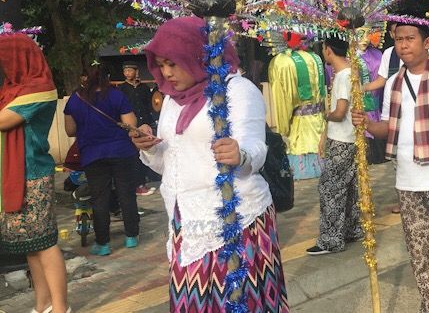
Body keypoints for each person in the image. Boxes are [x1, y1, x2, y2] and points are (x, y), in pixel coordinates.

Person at [131, 17, 288, 311]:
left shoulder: (236, 90)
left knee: (241, 302)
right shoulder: (170, 100)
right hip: (185, 219)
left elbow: (256, 148)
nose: (166, 73)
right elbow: (171, 164)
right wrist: (149, 148)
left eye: (173, 63)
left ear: (196, 54)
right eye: (161, 64)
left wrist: (239, 154)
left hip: (238, 218)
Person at [352, 19, 429, 313]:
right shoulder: (395, 82)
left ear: (427, 42)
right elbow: (388, 128)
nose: (404, 45)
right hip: (408, 183)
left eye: (410, 38)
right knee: (422, 255)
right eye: (399, 40)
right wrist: (367, 123)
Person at [0, 35, 70, 313]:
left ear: (19, 59)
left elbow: (4, 120)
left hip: (33, 174)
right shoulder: (12, 90)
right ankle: (43, 305)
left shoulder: (39, 88)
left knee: (46, 242)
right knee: (32, 244)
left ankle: (61, 307)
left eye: (5, 61)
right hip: (15, 172)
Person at [64, 65, 141, 256]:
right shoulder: (116, 95)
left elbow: (70, 130)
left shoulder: (75, 99)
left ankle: (103, 243)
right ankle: (131, 237)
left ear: (84, 79)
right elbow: (130, 125)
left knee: (99, 198)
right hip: (121, 151)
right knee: (126, 194)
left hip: (92, 154)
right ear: (106, 77)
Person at [307, 37, 364, 255]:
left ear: (328, 50)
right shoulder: (352, 71)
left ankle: (331, 239)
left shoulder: (342, 76)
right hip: (349, 138)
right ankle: (351, 229)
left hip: (342, 139)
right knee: (348, 186)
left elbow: (340, 113)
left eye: (323, 49)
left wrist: (325, 115)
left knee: (330, 189)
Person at [267, 31, 326, 179]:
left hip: (298, 128)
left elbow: (282, 100)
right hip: (318, 123)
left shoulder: (282, 62)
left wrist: (283, 129)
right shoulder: (316, 58)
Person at [118, 61, 158, 196]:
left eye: (130, 70)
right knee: (133, 156)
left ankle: (143, 182)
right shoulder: (121, 89)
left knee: (147, 153)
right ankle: (136, 184)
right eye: (125, 71)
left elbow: (150, 105)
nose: (127, 73)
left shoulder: (144, 88)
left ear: (136, 71)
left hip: (145, 125)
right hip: (131, 127)